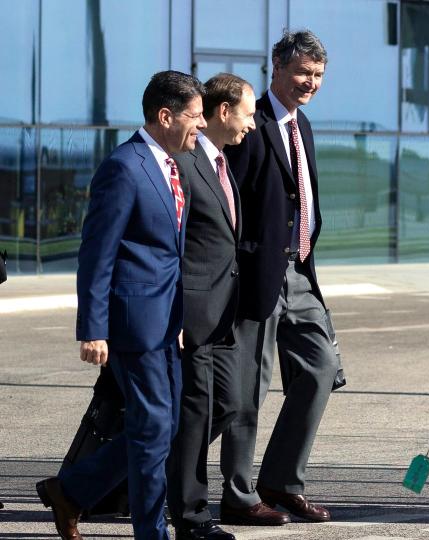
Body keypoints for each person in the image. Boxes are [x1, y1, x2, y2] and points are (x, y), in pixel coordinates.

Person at [36, 71, 206, 540]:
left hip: (165, 323)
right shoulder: (124, 166)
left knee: (163, 428)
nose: (203, 125)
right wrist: (92, 328)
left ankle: (71, 490)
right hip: (131, 324)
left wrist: (177, 318)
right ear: (165, 115)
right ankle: (152, 533)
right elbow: (97, 251)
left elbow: (165, 252)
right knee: (154, 429)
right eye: (195, 116)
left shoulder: (170, 166)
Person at [219, 29, 338, 526]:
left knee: (320, 368)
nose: (309, 82)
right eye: (302, 73)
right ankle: (239, 495)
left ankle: (281, 481)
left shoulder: (302, 125)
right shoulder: (252, 121)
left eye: (317, 76)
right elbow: (229, 197)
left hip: (300, 272)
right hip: (257, 274)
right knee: (250, 389)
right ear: (276, 68)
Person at [166, 73, 257, 540]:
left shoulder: (222, 162)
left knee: (229, 404)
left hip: (223, 313)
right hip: (192, 314)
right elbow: (173, 245)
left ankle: (96, 484)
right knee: (195, 410)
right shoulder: (183, 162)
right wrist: (176, 310)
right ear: (225, 112)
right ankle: (192, 515)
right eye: (249, 113)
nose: (253, 125)